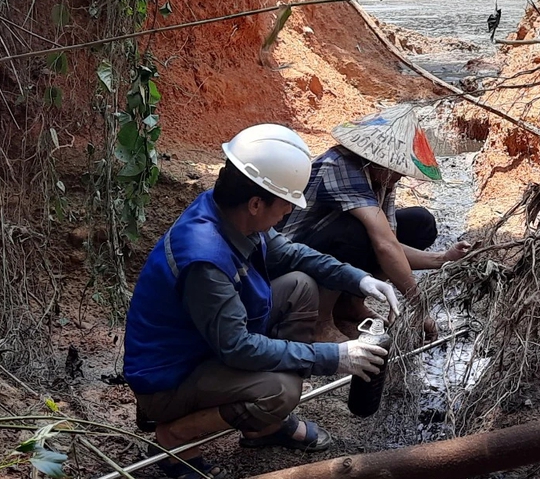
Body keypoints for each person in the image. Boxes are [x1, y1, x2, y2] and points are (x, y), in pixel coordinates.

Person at [123, 124, 403, 454]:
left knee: (299, 286)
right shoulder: (205, 260)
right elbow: (238, 348)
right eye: (285, 203)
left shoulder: (226, 212)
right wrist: (335, 357)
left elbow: (290, 253)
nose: (290, 210)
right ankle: (178, 434)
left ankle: (264, 426)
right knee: (280, 389)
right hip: (169, 380)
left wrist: (358, 278)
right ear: (257, 203)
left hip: (202, 347)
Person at [282, 106, 470, 335]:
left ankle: (349, 305)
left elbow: (389, 239)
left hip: (327, 248)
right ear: (377, 160)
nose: (401, 175)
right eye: (398, 168)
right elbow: (384, 245)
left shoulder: (382, 178)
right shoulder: (339, 166)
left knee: (421, 223)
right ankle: (319, 321)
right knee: (356, 232)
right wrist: (419, 307)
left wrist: (442, 258)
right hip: (290, 256)